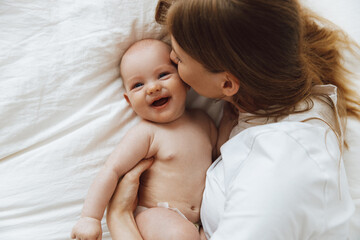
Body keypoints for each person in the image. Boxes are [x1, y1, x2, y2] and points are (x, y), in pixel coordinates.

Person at [106, 0, 360, 239]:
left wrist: (120, 219)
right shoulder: (269, 98)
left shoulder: (274, 176)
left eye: (180, 59)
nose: (171, 58)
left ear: (227, 83)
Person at [71, 39, 217, 240]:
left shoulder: (203, 121)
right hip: (156, 214)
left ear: (185, 80)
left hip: (198, 222)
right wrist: (90, 217)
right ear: (129, 100)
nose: (153, 88)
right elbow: (111, 170)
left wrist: (231, 116)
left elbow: (221, 156)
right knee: (180, 235)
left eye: (163, 75)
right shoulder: (147, 132)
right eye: (138, 85)